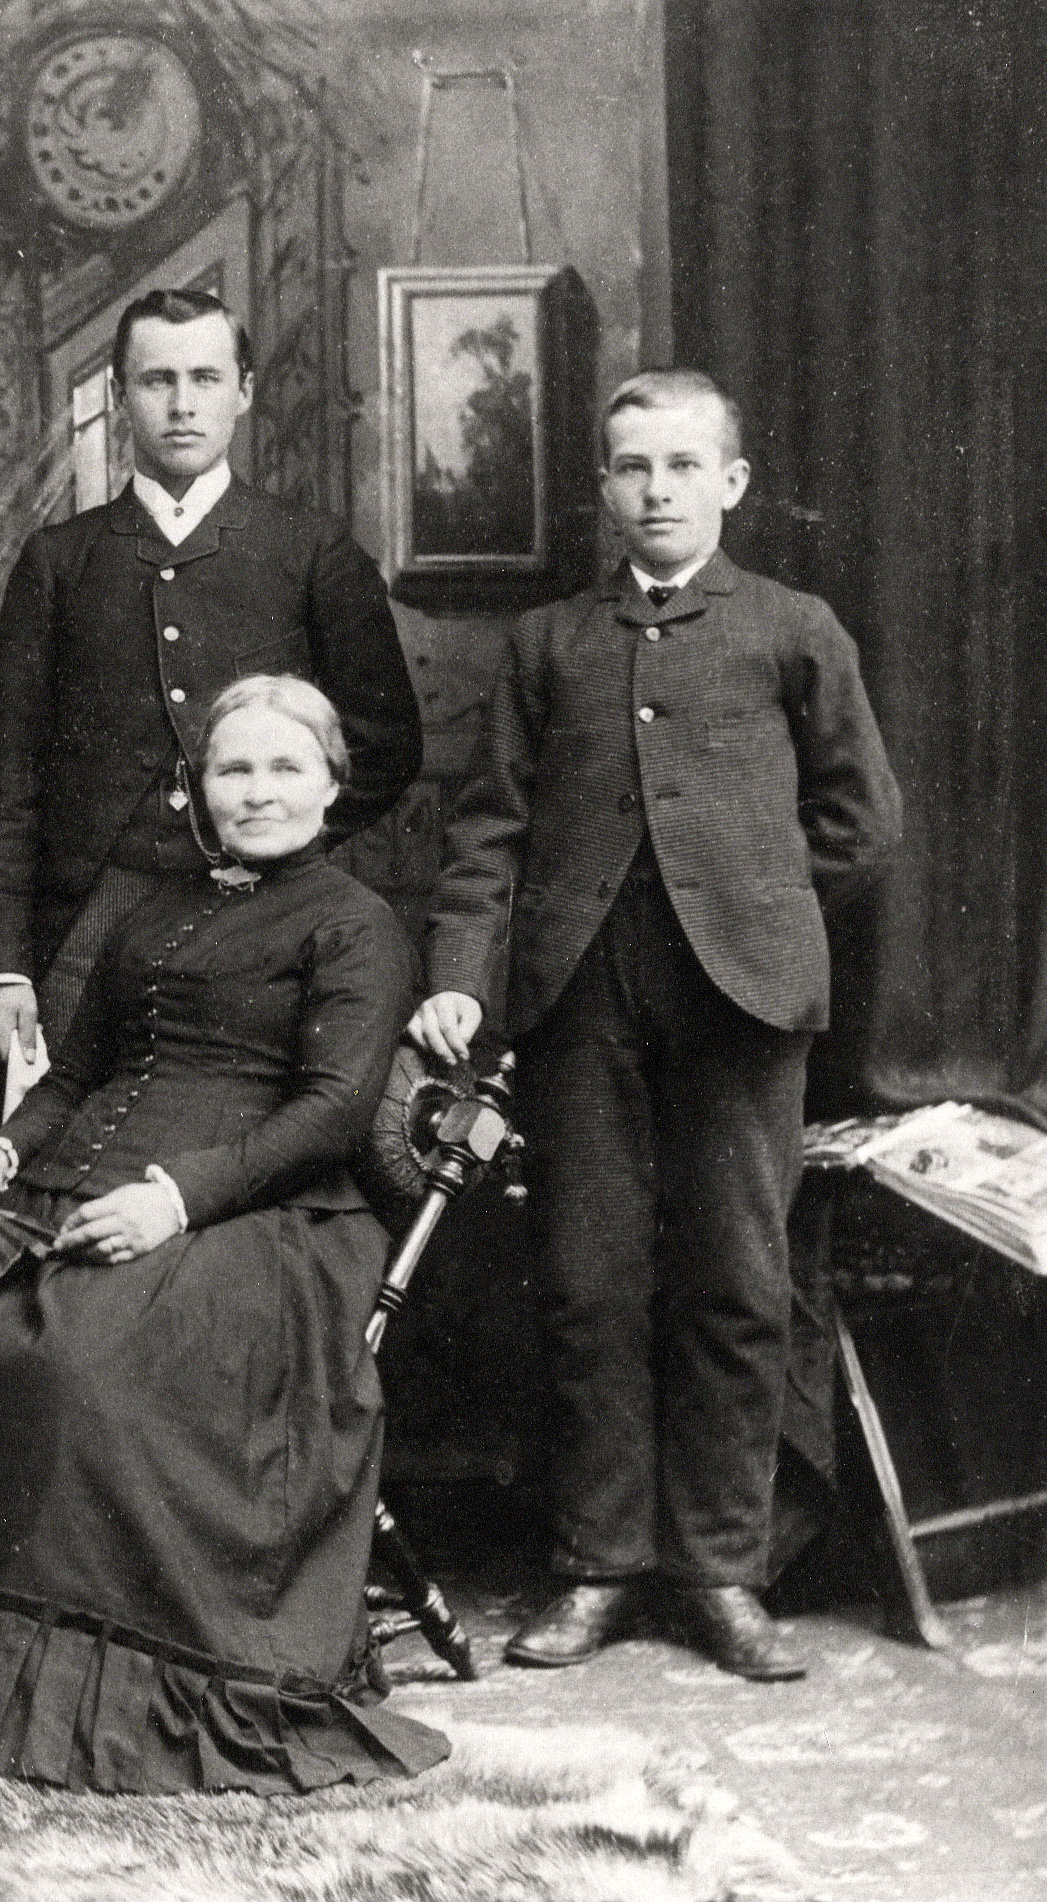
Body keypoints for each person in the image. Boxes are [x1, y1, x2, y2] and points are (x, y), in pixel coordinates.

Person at [0, 674, 448, 1796]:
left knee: (76, 1368)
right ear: (199, 786)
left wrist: (177, 1199)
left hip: (260, 1215)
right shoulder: (149, 907)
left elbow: (334, 1112)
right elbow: (80, 1075)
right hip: (73, 1182)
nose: (257, 792)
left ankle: (54, 1702)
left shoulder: (356, 924)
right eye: (234, 769)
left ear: (331, 787)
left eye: (284, 768)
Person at [412, 369, 902, 1681]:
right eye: (633, 466)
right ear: (604, 486)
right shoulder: (549, 641)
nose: (658, 489)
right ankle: (600, 1563)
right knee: (589, 1282)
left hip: (742, 1001)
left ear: (731, 481)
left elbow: (863, 822)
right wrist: (463, 972)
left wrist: (758, 901)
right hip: (579, 998)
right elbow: (489, 831)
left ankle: (722, 1569)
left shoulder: (793, 628)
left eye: (684, 465)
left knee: (738, 1282)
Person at [0, 288, 422, 1062]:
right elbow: (9, 779)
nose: (182, 405)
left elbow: (386, 744)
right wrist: (2, 965)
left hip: (270, 910)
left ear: (243, 392)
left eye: (206, 379)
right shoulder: (60, 561)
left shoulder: (310, 549)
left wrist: (275, 834)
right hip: (92, 915)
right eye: (157, 381)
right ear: (119, 396)